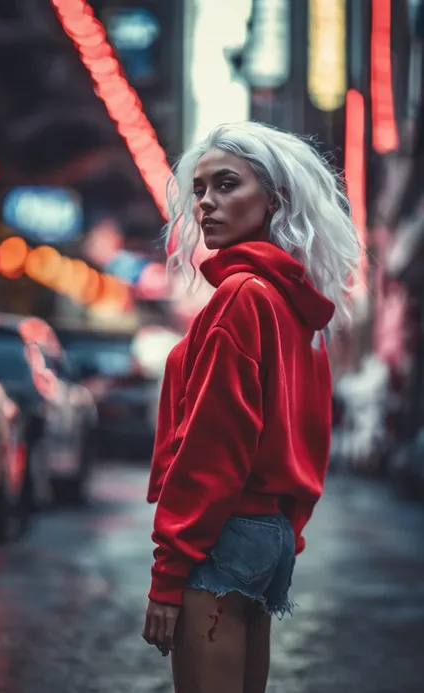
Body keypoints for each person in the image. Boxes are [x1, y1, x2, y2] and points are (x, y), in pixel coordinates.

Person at [142, 121, 361, 693]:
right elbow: (312, 436)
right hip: (266, 533)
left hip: (223, 530)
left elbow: (213, 445)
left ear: (273, 198)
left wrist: (167, 575)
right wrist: (286, 532)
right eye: (199, 188)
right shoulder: (294, 305)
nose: (207, 203)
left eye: (226, 184)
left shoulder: (241, 298)